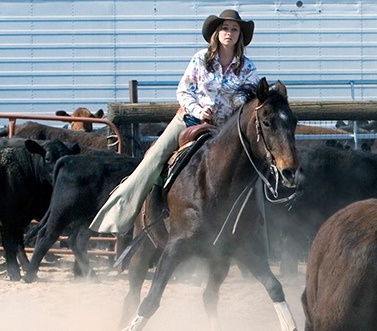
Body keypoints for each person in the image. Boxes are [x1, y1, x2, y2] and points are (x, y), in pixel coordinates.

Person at [90, 9, 258, 234]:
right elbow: (183, 90)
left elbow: (249, 98)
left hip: (225, 128)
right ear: (217, 33)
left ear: (240, 36)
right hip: (189, 120)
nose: (229, 32)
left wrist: (233, 110)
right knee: (154, 158)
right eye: (225, 28)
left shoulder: (248, 68)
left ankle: (255, 235)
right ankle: (120, 216)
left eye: (234, 29)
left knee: (256, 167)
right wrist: (199, 110)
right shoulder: (201, 59)